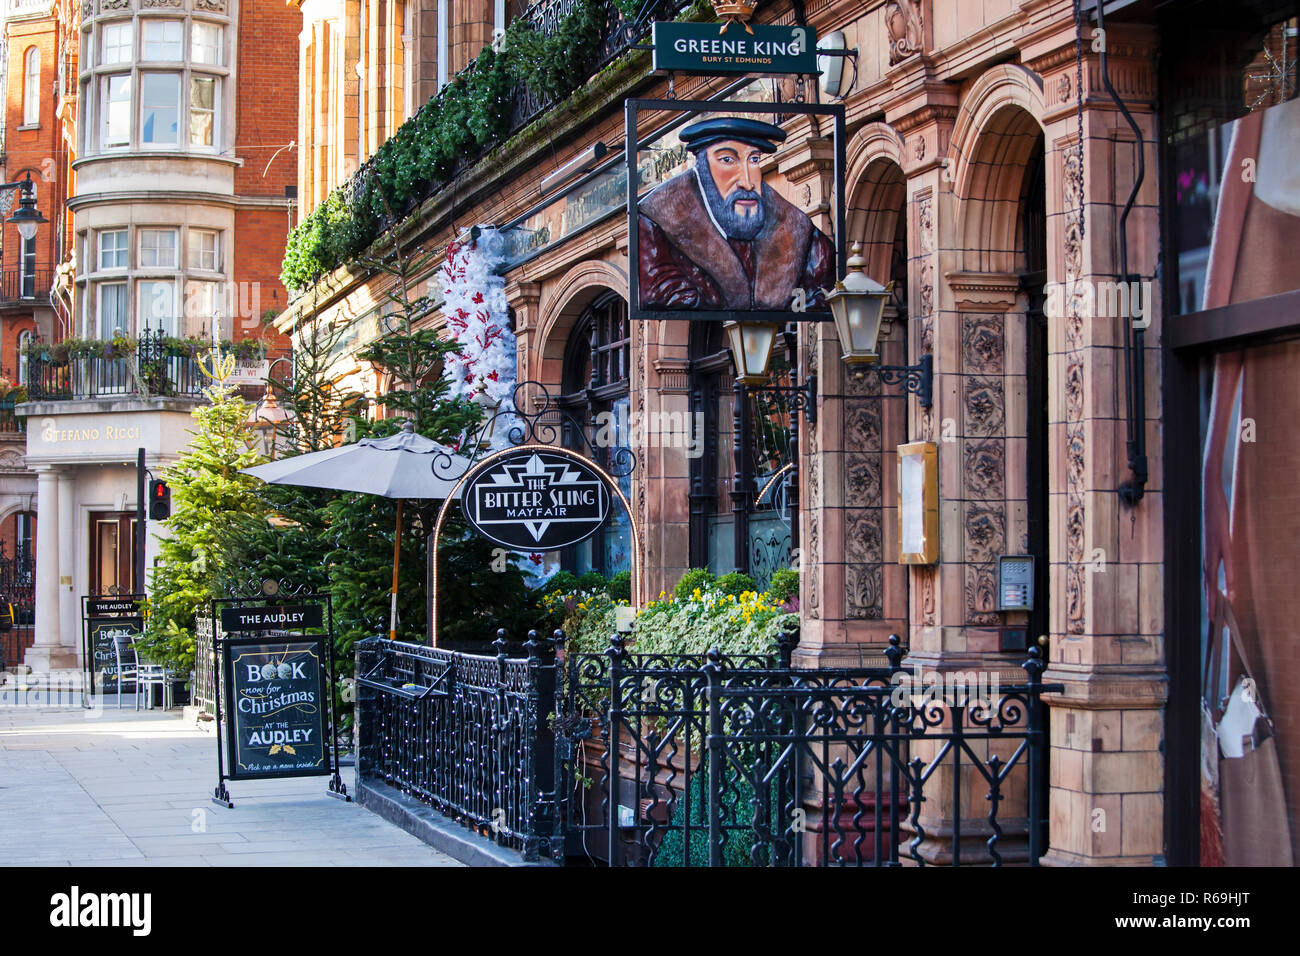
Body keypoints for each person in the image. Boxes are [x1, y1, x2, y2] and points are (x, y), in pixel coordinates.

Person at [637, 116, 835, 312]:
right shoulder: (657, 219)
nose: (747, 182)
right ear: (702, 167)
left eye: (754, 159)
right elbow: (662, 293)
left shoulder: (798, 228)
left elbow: (824, 291)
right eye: (727, 160)